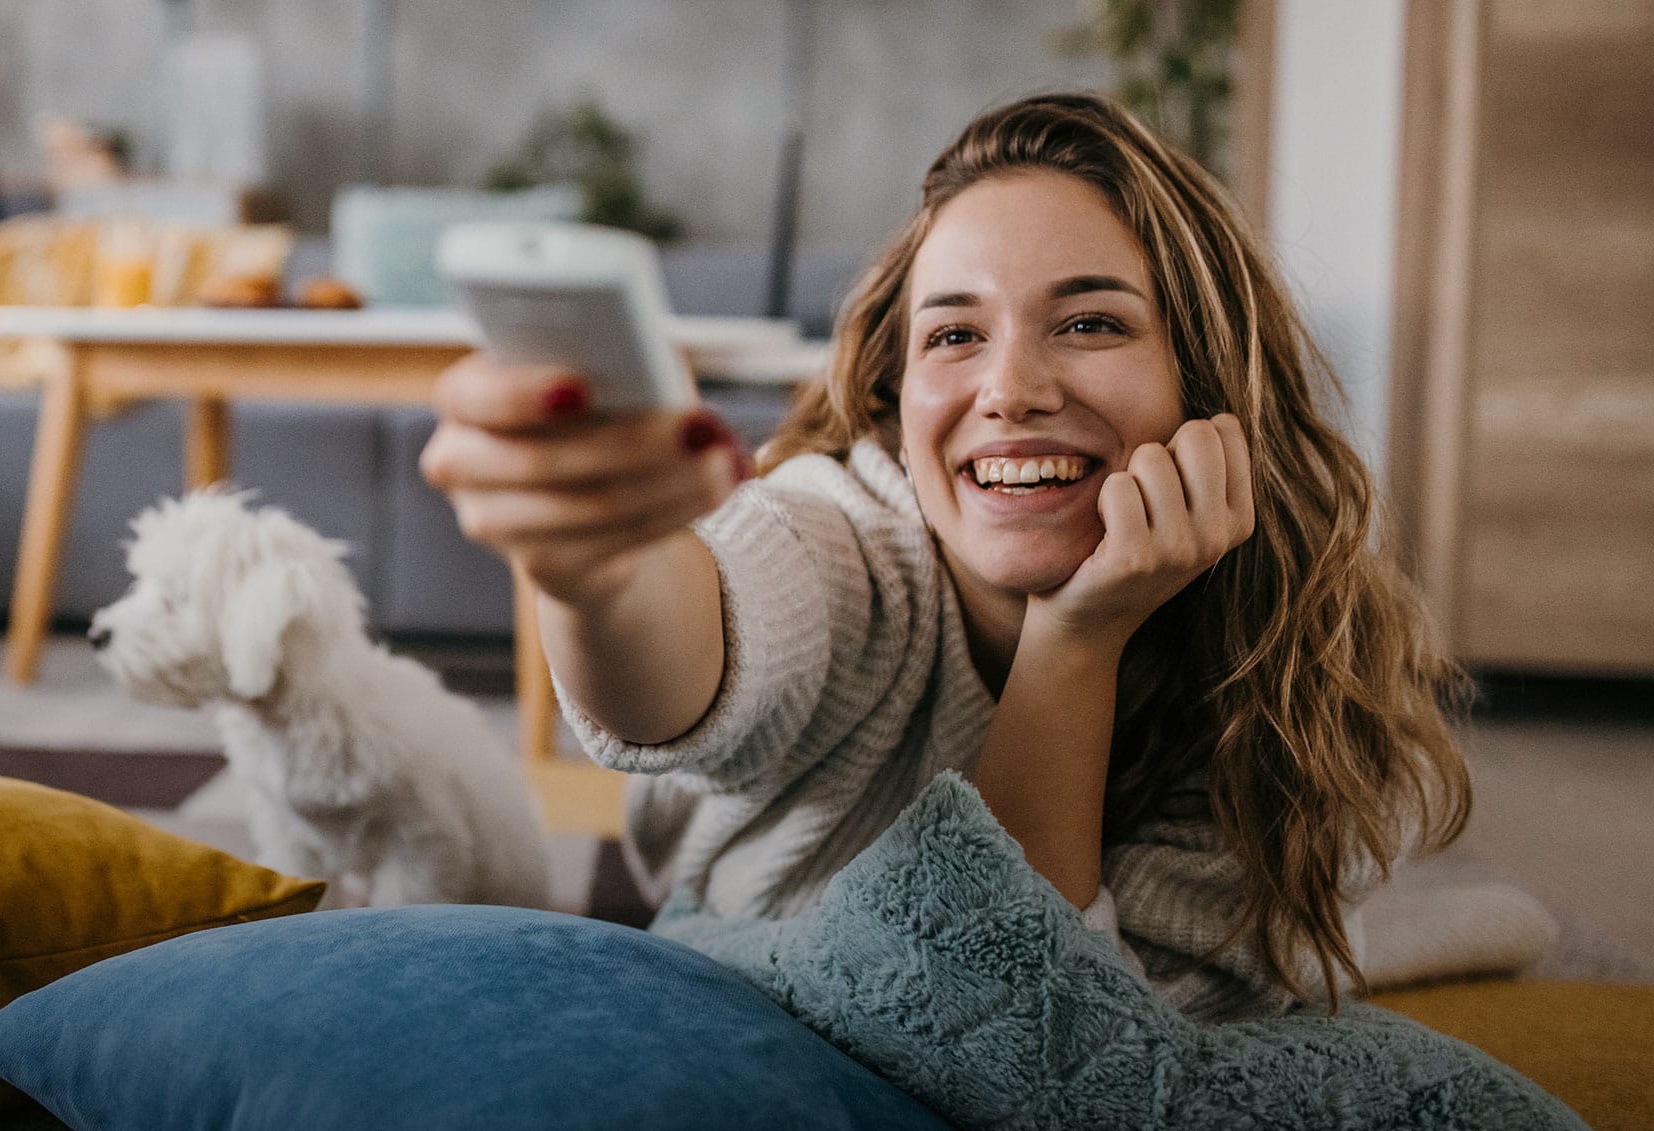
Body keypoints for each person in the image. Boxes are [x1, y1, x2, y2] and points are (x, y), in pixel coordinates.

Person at [419, 92, 1473, 1023]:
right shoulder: (849, 536)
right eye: (954, 335)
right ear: (893, 391)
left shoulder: (1279, 669)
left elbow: (1037, 1032)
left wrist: (1075, 637)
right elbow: (699, 636)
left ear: (1209, 388)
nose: (1009, 388)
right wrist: (596, 572)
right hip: (710, 919)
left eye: (1090, 321)